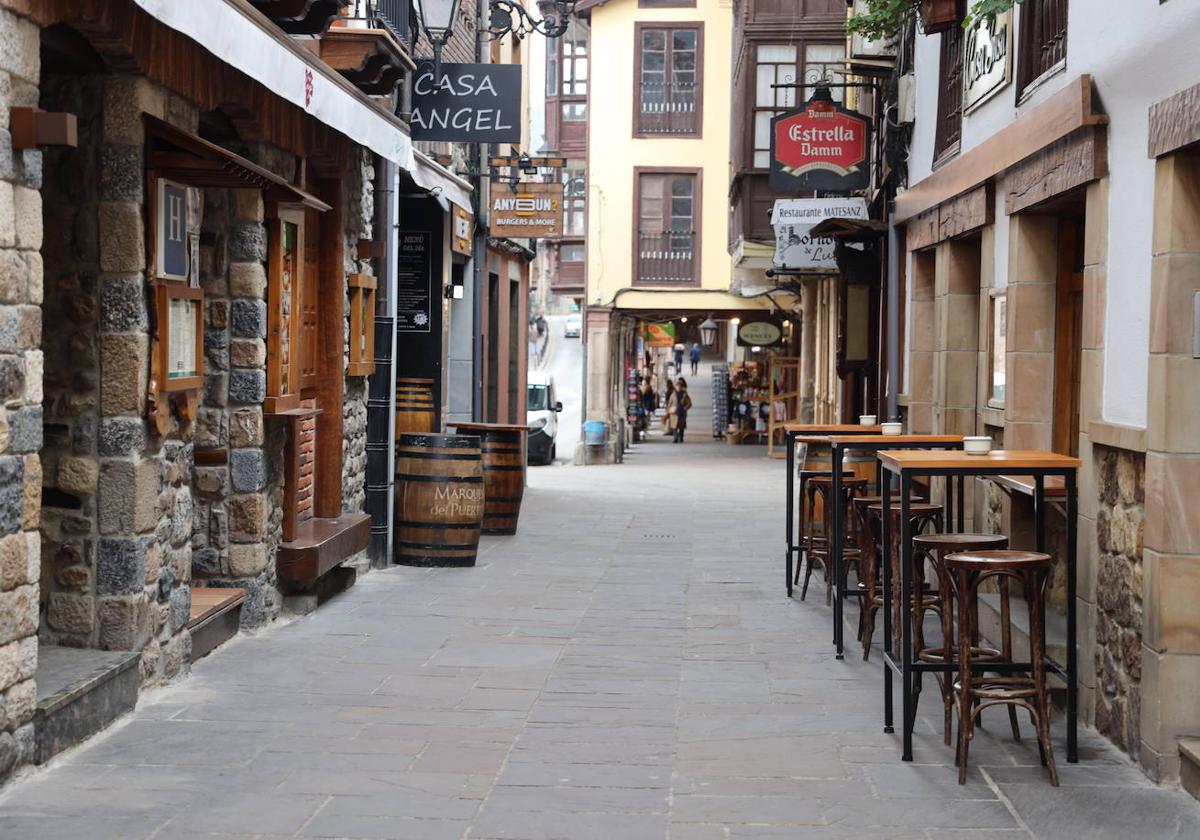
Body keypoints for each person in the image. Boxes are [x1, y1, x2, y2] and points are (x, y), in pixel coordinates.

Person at [666, 377, 692, 443]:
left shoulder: (685, 395)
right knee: (674, 426)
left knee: (681, 427)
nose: (678, 387)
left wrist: (685, 408)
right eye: (677, 386)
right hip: (674, 413)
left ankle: (681, 437)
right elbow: (669, 403)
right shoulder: (673, 394)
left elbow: (689, 403)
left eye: (680, 386)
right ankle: (675, 438)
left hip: (682, 413)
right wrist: (668, 411)